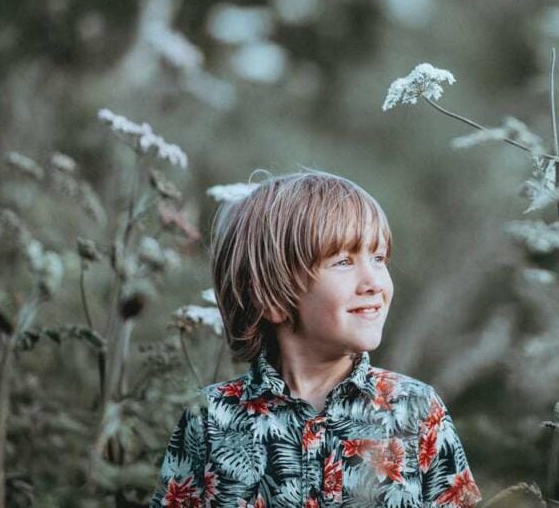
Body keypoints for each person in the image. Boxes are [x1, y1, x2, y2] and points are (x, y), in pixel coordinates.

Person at [149, 170, 482, 507]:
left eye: (379, 258)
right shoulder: (209, 418)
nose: (374, 282)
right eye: (343, 261)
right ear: (272, 299)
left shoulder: (418, 411)